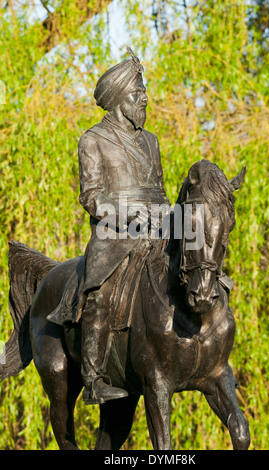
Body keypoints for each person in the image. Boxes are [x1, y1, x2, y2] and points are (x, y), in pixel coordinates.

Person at [77, 47, 169, 405]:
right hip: (113, 234)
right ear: (118, 99)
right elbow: (92, 196)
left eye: (144, 92)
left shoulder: (151, 141)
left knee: (198, 265)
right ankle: (92, 378)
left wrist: (171, 221)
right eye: (137, 93)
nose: (144, 98)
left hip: (158, 227)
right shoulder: (93, 140)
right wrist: (126, 217)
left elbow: (159, 189)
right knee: (99, 294)